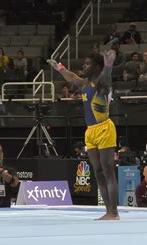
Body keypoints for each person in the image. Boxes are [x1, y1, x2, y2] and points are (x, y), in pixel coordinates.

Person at [47, 49, 120, 220]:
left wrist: (108, 65)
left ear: (96, 67)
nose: (84, 67)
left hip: (104, 128)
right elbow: (71, 77)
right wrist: (59, 67)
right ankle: (108, 210)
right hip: (90, 131)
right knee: (98, 172)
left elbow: (107, 79)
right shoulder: (85, 84)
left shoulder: (101, 83)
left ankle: (114, 212)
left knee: (108, 170)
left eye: (88, 64)